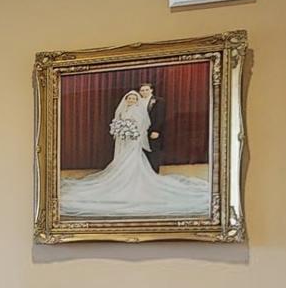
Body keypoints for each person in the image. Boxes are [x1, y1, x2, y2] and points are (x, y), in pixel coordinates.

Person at [58, 86, 210, 218]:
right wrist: (120, 130)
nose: (131, 100)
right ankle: (119, 178)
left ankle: (130, 179)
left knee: (131, 159)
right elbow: (118, 123)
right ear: (126, 99)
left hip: (134, 140)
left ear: (137, 99)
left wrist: (131, 133)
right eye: (129, 98)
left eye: (133, 98)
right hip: (123, 140)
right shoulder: (123, 110)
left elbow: (142, 126)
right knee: (121, 158)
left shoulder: (139, 111)